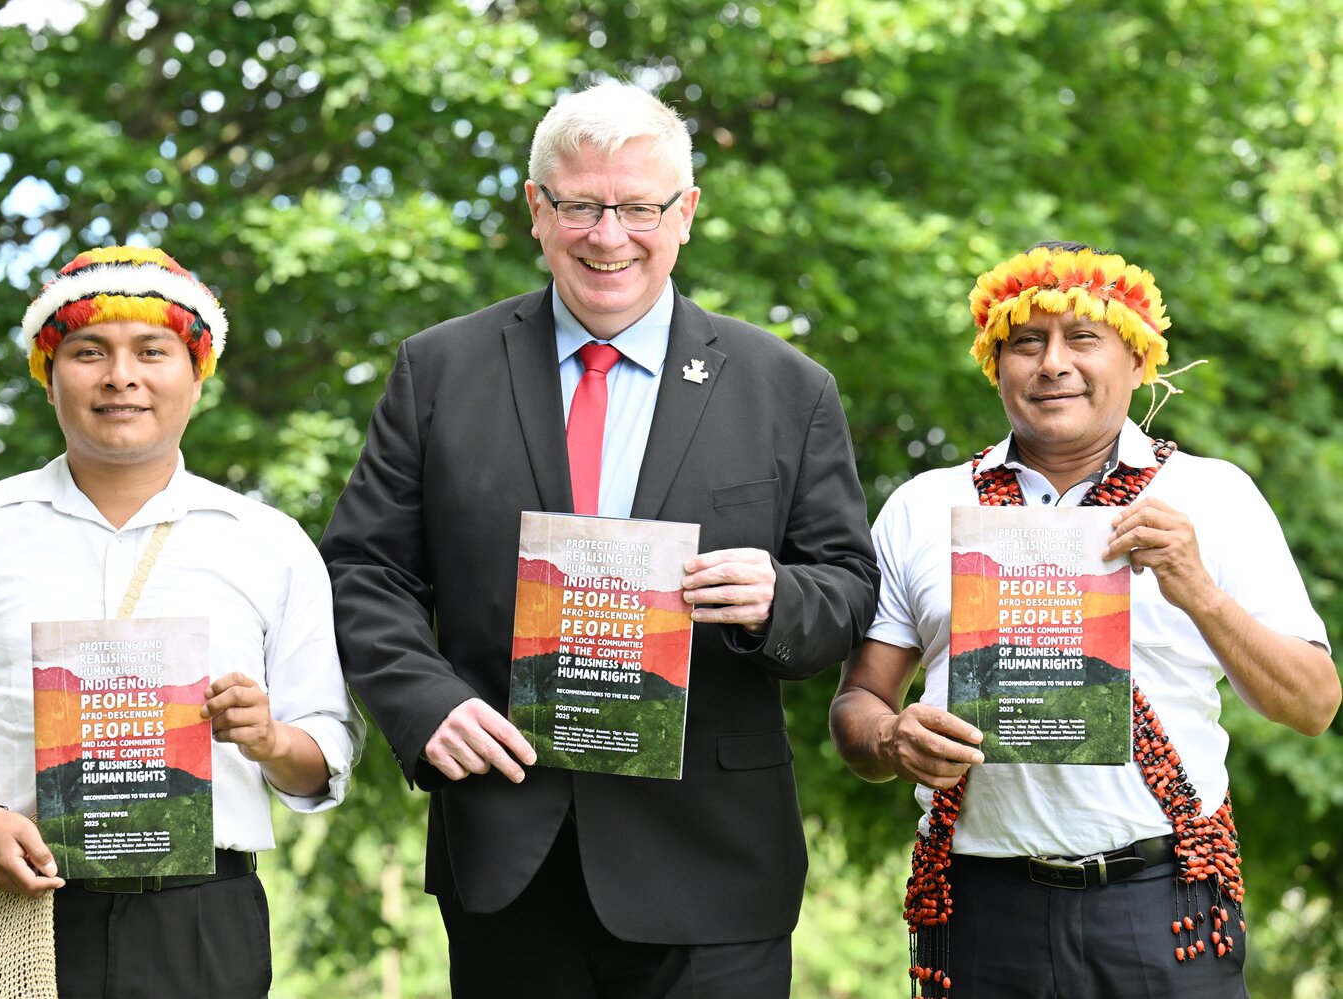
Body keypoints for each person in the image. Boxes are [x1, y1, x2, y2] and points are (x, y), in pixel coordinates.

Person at [321, 81, 879, 998]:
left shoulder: (789, 388)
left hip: (716, 865)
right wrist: (425, 705)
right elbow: (362, 569)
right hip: (510, 854)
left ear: (686, 213)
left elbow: (849, 585)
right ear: (537, 211)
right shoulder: (439, 371)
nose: (608, 234)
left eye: (638, 207)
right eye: (580, 205)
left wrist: (780, 598)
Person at [830, 241, 1339, 998]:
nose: (1052, 363)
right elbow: (856, 705)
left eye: (1083, 338)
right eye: (1026, 342)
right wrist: (890, 736)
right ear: (994, 363)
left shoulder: (1214, 496)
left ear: (1138, 361)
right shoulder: (923, 505)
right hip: (976, 906)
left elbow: (1313, 704)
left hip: (1163, 902)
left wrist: (1196, 587)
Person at [0, 245, 365, 999]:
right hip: (20, 905)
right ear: (48, 372)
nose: (120, 376)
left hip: (202, 922)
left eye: (152, 351)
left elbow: (322, 748)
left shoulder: (268, 543)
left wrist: (269, 738)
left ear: (197, 375)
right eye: (88, 351)